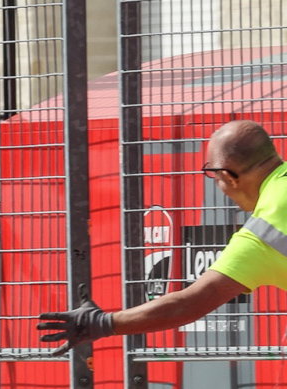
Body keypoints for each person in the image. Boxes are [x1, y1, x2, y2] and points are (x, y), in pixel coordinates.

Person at [38, 121, 286, 353]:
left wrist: (102, 322)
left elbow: (187, 304)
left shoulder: (261, 237)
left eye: (215, 177)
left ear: (229, 177)